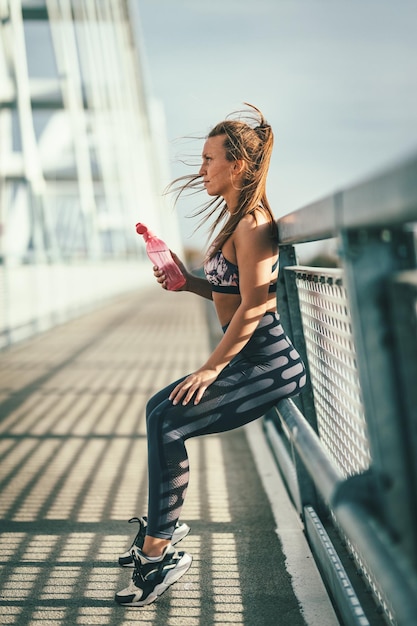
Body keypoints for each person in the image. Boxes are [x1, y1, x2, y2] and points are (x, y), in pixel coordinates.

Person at [115, 104, 307, 607]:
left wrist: (210, 367)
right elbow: (229, 293)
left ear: (237, 165)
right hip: (247, 359)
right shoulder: (232, 220)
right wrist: (188, 284)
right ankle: (163, 532)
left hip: (269, 365)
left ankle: (160, 554)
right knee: (159, 409)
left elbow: (257, 304)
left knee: (170, 422)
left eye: (208, 159)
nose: (201, 169)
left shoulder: (254, 223)